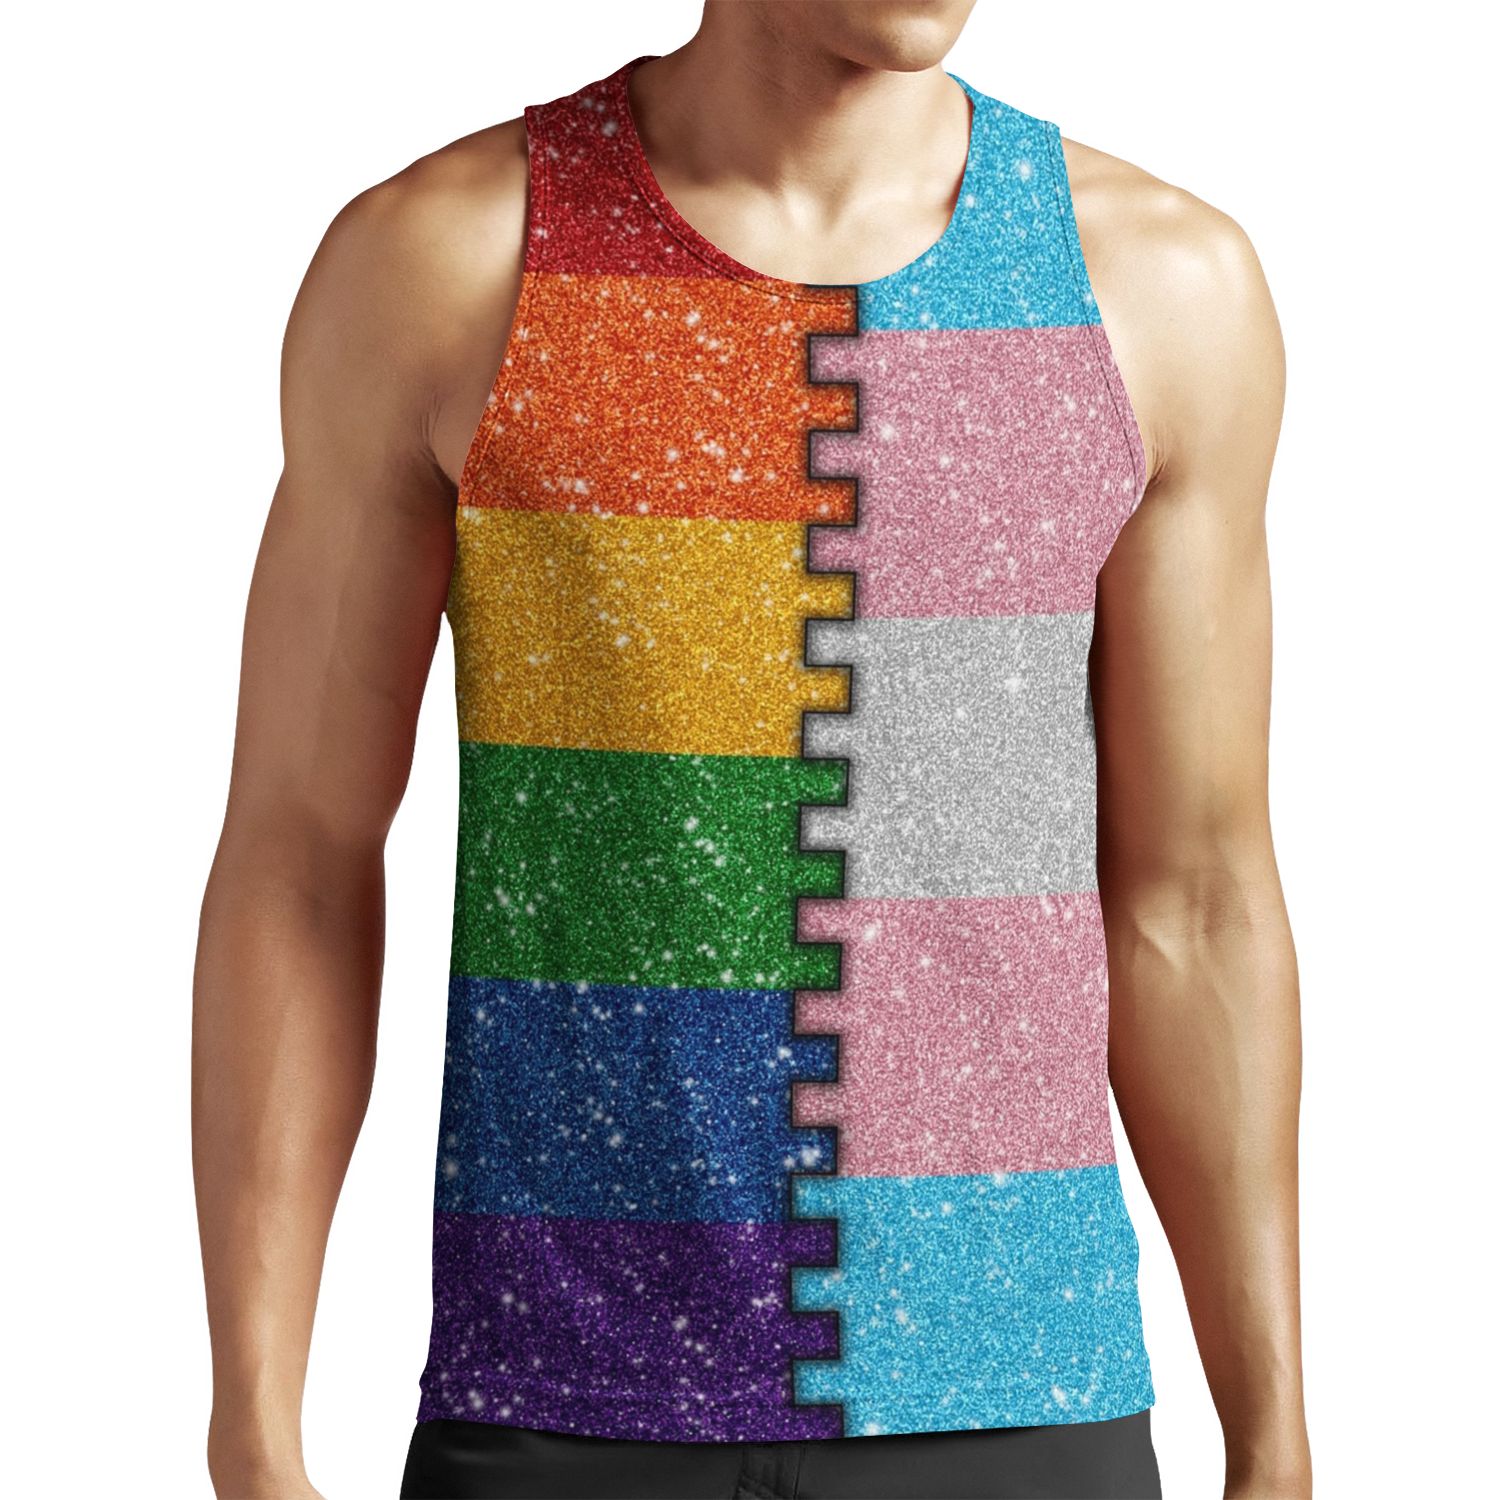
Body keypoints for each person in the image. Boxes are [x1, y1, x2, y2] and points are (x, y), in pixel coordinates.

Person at [192, 3, 1310, 1497]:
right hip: (556, 1407)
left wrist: (1275, 1439)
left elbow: (1198, 897)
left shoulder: (1160, 287)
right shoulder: (448, 263)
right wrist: (254, 1432)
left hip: (1018, 1396)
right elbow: (301, 863)